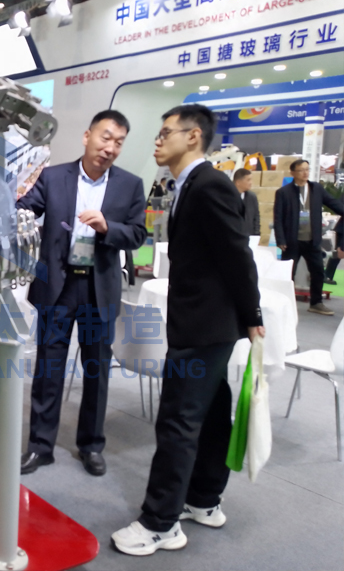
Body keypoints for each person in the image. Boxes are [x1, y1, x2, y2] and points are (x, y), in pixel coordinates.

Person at [112, 104, 264, 556]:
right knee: (212, 413)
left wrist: (253, 314)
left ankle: (159, 524)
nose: (157, 141)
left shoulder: (209, 184)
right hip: (203, 322)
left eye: (165, 133)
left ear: (193, 136)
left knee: (178, 421)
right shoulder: (187, 186)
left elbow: (237, 254)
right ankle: (203, 499)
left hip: (205, 326)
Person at [16, 110, 147, 477]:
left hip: (98, 287)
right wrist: (15, 201)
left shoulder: (130, 185)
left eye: (118, 142)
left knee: (96, 370)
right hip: (58, 286)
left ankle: (91, 445)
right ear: (87, 136)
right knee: (49, 368)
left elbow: (138, 234)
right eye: (105, 137)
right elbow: (24, 210)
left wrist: (108, 227)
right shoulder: (54, 176)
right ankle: (40, 445)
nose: (110, 148)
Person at [274, 159, 344, 315]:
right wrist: (280, 239)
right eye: (301, 170)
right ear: (293, 173)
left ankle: (316, 303)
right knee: (288, 273)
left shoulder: (316, 189)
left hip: (312, 240)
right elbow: (278, 218)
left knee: (318, 271)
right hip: (292, 241)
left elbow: (334, 203)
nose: (305, 173)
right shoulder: (283, 192)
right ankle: (282, 302)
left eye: (307, 169)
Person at [232, 168, 260, 236]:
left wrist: (256, 234)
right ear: (238, 182)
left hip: (249, 236)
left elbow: (256, 217)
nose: (251, 182)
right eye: (248, 180)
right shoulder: (228, 197)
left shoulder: (252, 197)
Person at [324, 215, 343, 285]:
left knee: (338, 252)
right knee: (339, 252)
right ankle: (327, 275)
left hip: (341, 228)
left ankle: (327, 274)